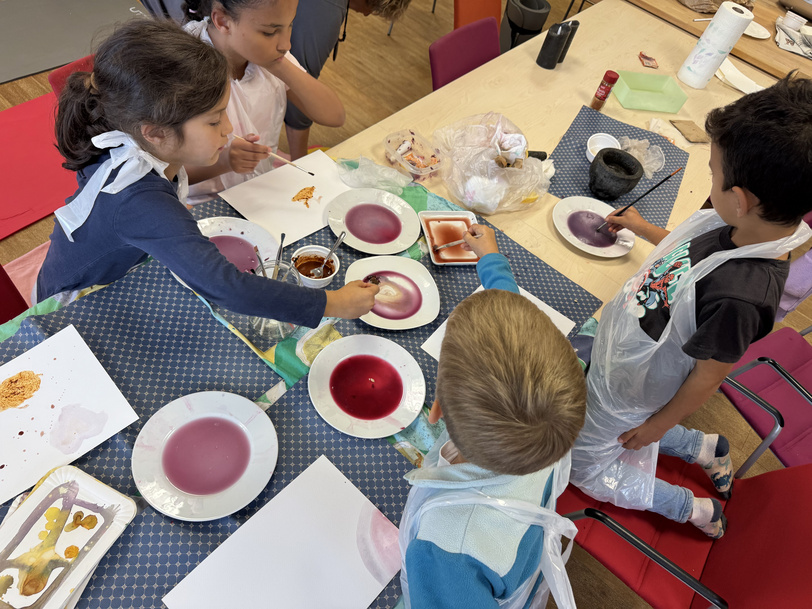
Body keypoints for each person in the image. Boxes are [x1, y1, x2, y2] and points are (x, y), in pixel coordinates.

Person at [570, 75, 812, 539]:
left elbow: (708, 378)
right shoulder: (750, 226)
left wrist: (657, 427)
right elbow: (689, 260)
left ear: (740, 201)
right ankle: (704, 446)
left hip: (639, 387)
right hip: (627, 351)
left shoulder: (742, 297)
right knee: (612, 420)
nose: (711, 181)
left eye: (714, 174)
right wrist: (646, 230)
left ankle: (693, 509)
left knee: (587, 465)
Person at [36, 19, 378, 328]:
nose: (228, 129)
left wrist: (225, 161)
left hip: (118, 268)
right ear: (155, 132)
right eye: (214, 121)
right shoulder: (137, 199)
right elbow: (226, 287)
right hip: (73, 305)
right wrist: (333, 302)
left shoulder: (133, 137)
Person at [398, 225, 585, 609]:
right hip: (518, 545)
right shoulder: (550, 421)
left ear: (436, 408)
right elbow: (518, 346)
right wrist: (490, 259)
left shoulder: (442, 552)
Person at [182, 0, 346, 201]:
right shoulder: (182, 70)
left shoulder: (266, 57)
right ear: (223, 21)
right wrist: (224, 162)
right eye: (269, 32)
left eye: (290, 25)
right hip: (198, 203)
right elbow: (165, 173)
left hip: (256, 192)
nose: (286, 44)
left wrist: (279, 66)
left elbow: (334, 116)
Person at [284, 0, 413, 160]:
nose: (366, 14)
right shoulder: (326, 13)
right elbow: (300, 90)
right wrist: (299, 162)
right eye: (372, 8)